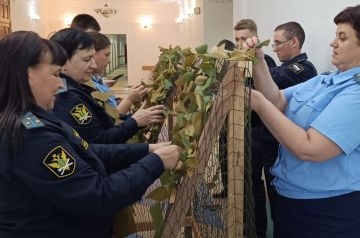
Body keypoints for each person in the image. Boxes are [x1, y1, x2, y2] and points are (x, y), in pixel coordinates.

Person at [0, 31, 180, 237]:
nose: (60, 84)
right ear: (27, 74)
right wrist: (156, 162)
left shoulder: (35, 117)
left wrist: (148, 149)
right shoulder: (31, 136)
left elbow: (87, 149)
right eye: (56, 74)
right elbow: (97, 197)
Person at [245, 4, 360, 237]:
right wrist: (257, 61)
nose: (333, 42)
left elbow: (310, 148)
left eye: (342, 37)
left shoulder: (356, 93)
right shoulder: (325, 80)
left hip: (327, 211)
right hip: (290, 198)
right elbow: (276, 99)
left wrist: (258, 103)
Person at [50, 28, 164, 144]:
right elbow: (100, 142)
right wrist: (135, 122)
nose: (93, 66)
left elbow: (106, 122)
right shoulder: (68, 98)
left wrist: (136, 119)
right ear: (63, 61)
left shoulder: (80, 88)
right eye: (87, 59)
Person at [89, 32, 146, 114]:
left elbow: (112, 103)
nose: (109, 60)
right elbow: (111, 120)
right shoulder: (87, 87)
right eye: (106, 55)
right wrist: (129, 99)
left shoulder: (98, 81)